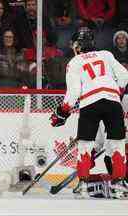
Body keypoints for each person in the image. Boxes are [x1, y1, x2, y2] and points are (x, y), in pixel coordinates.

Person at [49, 27, 128, 199]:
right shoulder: (106, 54)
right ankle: (119, 184)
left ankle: (83, 185)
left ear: (77, 45)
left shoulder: (75, 62)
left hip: (90, 103)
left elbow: (74, 92)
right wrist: (116, 93)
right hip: (112, 102)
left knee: (85, 144)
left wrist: (62, 112)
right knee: (117, 143)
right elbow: (124, 76)